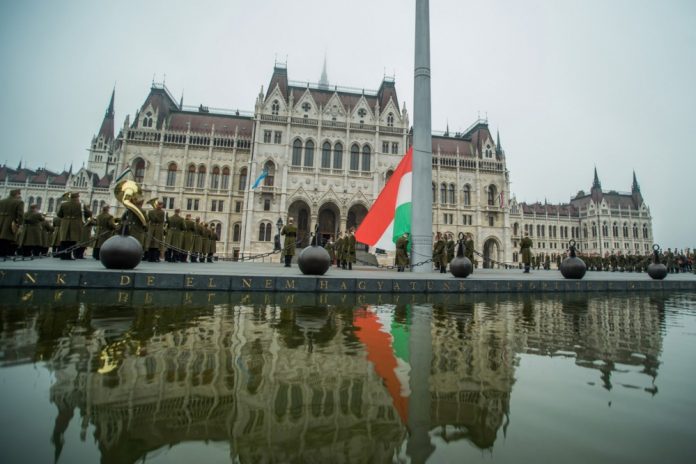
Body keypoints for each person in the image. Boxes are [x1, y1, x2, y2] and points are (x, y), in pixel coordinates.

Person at [56, 192, 82, 260]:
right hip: (75, 224)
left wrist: (65, 218)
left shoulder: (63, 204)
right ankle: (68, 256)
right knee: (72, 240)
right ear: (76, 197)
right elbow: (87, 213)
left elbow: (59, 214)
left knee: (64, 240)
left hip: (65, 224)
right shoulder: (80, 205)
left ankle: (62, 255)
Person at [0, 189, 24, 259]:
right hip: (10, 222)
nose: (19, 196)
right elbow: (20, 214)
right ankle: (4, 254)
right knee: (7, 238)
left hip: (0, 221)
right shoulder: (19, 202)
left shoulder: (2, 201)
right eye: (19, 194)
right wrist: (19, 223)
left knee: (1, 237)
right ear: (16, 194)